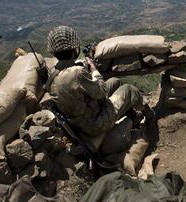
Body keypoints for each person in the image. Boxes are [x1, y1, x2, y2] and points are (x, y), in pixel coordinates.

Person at [45, 25, 155, 154]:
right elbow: (101, 90)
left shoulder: (52, 74)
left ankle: (133, 117)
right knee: (129, 89)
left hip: (80, 120)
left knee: (115, 82)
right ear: (74, 49)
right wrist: (93, 69)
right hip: (96, 123)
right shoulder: (77, 72)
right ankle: (151, 117)